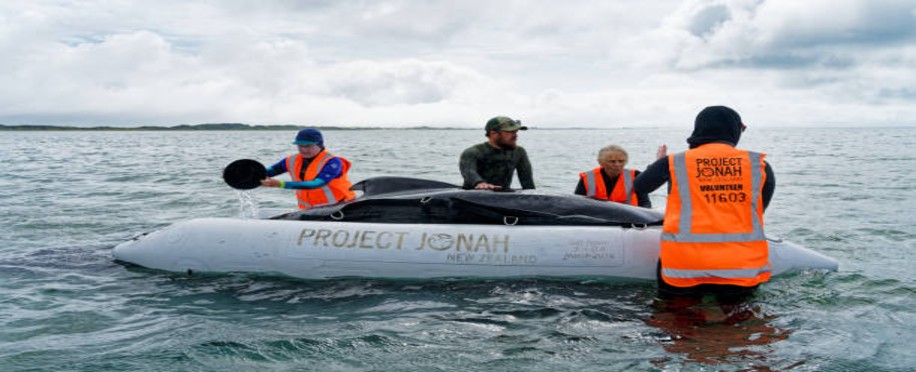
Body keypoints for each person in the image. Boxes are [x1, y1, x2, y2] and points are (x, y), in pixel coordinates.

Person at [633, 106, 776, 298]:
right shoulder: (759, 165)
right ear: (735, 130)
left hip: (684, 265)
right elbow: (758, 212)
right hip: (741, 265)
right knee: (740, 322)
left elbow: (640, 187)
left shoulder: (674, 162)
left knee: (676, 321)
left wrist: (658, 163)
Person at [260, 128, 356, 209]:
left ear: (320, 145)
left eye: (308, 146)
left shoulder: (333, 162)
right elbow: (266, 173)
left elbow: (315, 184)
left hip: (342, 207)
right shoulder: (291, 160)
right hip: (310, 210)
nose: (304, 149)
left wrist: (280, 184)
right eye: (300, 146)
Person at [459, 116, 535, 190]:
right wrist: (479, 183)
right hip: (472, 197)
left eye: (515, 132)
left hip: (503, 197)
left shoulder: (519, 152)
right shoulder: (473, 152)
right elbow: (468, 172)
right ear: (493, 134)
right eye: (510, 132)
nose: (515, 135)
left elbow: (527, 182)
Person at [574, 144, 652, 207]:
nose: (617, 164)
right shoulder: (588, 177)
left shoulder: (635, 175)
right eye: (612, 161)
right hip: (596, 220)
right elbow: (577, 203)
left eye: (621, 161)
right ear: (600, 162)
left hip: (628, 220)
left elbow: (645, 203)